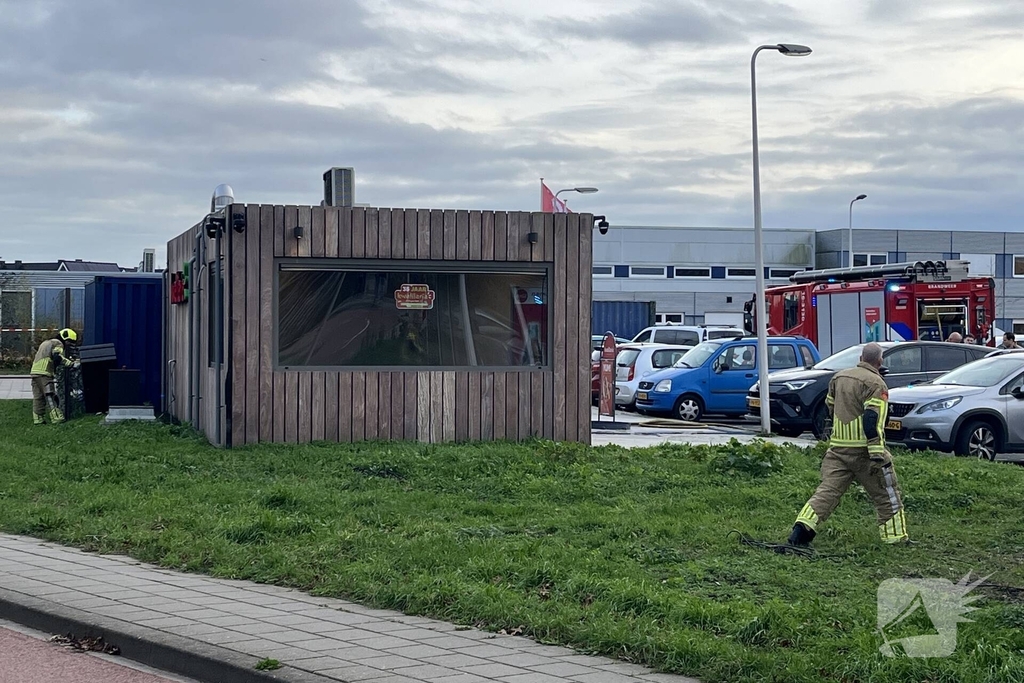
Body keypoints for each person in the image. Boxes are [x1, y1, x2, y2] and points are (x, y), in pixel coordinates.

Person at [788, 342, 908, 547]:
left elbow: (830, 408)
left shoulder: (839, 377)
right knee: (887, 494)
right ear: (880, 361)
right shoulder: (876, 384)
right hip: (865, 451)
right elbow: (872, 419)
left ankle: (800, 533)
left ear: (861, 358)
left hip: (838, 450)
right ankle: (895, 539)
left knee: (827, 492)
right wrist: (877, 452)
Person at [30, 328, 79, 425]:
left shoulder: (46, 342)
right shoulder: (58, 343)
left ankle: (38, 419)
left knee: (38, 397)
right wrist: (71, 364)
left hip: (35, 372)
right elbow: (57, 356)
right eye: (69, 342)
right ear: (65, 339)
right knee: (50, 395)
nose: (68, 345)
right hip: (45, 372)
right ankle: (56, 417)